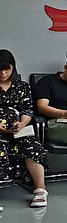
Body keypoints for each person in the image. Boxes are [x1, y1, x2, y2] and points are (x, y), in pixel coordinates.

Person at [0, 49, 49, 207]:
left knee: (33, 146)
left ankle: (40, 190)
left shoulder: (22, 87)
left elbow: (27, 111)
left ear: (13, 67)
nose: (3, 73)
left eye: (6, 69)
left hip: (18, 130)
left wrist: (21, 124)